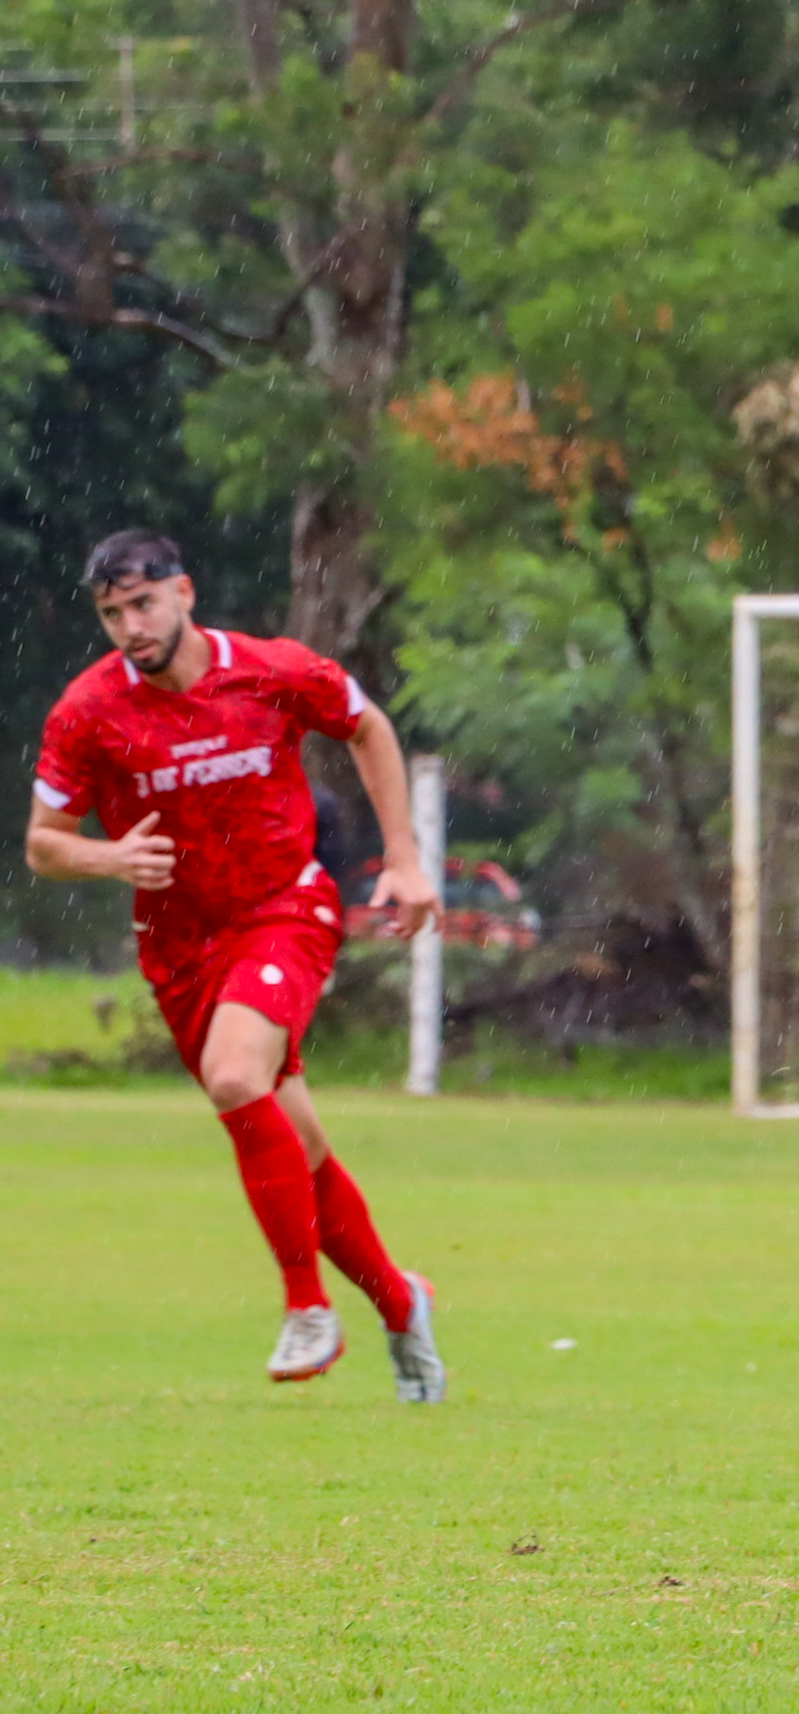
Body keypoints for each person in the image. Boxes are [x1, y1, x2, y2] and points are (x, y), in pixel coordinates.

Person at [25, 530, 447, 1399]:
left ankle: (306, 1308)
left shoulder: (271, 669)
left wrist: (404, 858)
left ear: (183, 592)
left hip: (285, 907)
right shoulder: (88, 711)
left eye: (143, 604)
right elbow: (43, 845)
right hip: (179, 948)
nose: (130, 627)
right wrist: (109, 860)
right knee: (299, 1143)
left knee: (231, 1075)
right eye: (112, 614)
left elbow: (367, 725)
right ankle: (401, 1302)